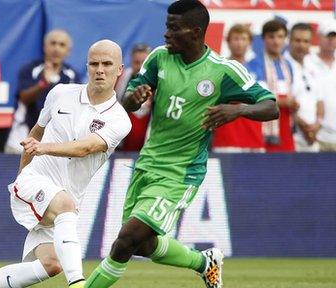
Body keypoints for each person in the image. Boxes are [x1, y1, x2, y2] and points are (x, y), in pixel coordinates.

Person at [84, 1, 278, 288]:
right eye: (167, 26)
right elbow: (124, 103)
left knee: (124, 242)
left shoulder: (223, 71)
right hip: (147, 164)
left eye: (174, 28)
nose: (166, 34)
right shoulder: (159, 58)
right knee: (142, 245)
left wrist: (237, 110)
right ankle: (204, 263)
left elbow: (270, 106)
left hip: (180, 172)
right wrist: (132, 98)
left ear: (195, 32)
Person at [0, 40, 131, 288]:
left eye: (107, 64)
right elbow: (36, 133)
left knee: (50, 264)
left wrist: (44, 148)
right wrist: (23, 175)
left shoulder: (120, 120)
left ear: (119, 69)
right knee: (65, 205)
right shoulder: (60, 93)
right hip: (37, 182)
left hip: (66, 199)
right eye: (94, 63)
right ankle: (77, 283)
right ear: (86, 66)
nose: (100, 70)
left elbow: (86, 147)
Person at [5, 29, 80, 154]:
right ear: (45, 47)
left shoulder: (72, 76)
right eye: (53, 43)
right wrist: (43, 84)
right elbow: (24, 98)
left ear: (68, 51)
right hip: (22, 139)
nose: (56, 48)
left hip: (54, 144)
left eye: (62, 45)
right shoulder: (30, 69)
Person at [212, 24, 266, 153]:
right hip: (227, 135)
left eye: (243, 39)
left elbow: (262, 99)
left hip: (253, 134)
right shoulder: (219, 66)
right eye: (236, 39)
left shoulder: (257, 66)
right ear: (228, 41)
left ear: (249, 42)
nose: (239, 43)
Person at [247, 20, 297, 152]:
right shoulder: (254, 64)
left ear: (285, 39)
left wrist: (294, 104)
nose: (276, 41)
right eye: (271, 37)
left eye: (280, 37)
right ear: (263, 39)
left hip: (285, 125)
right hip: (263, 126)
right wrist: (282, 102)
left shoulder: (288, 65)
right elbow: (253, 97)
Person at [284, 23, 324, 152]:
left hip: (313, 138)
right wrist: (305, 128)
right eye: (297, 40)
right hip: (292, 136)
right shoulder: (282, 65)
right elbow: (286, 104)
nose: (301, 45)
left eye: (306, 41)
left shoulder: (313, 66)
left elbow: (319, 101)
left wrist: (317, 125)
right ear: (289, 41)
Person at [114, 43, 153, 151]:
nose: (140, 67)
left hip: (147, 147)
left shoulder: (159, 82)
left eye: (144, 63)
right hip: (121, 146)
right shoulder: (120, 79)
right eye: (137, 63)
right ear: (131, 62)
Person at [306, 20, 336, 152]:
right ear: (319, 37)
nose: (331, 40)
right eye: (328, 36)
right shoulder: (307, 62)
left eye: (334, 36)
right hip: (315, 137)